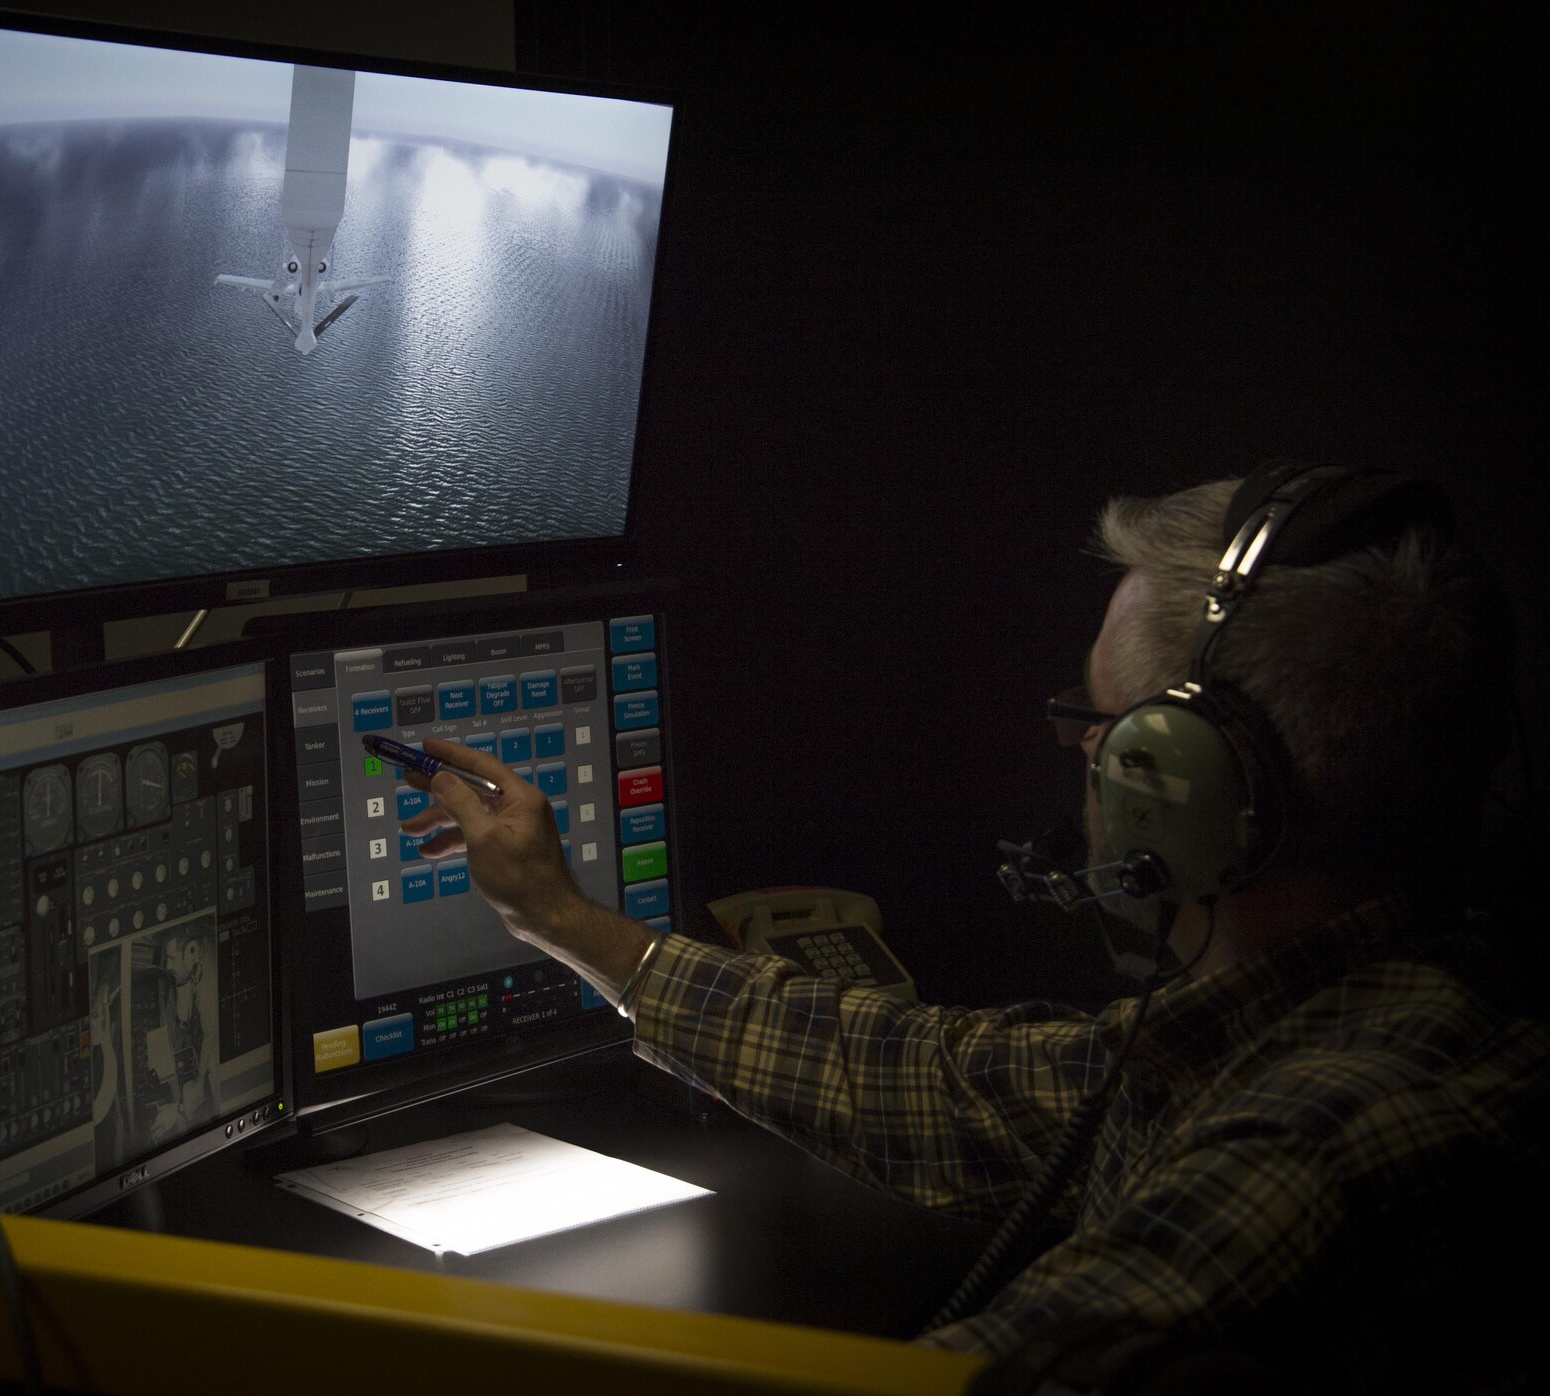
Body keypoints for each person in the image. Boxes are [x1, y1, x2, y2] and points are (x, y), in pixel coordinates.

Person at [399, 470, 1547, 1393]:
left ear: (1183, 791)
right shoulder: (1377, 1014)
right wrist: (566, 922)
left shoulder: (1301, 1165)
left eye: (1098, 726)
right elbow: (961, 1086)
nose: (1075, 753)